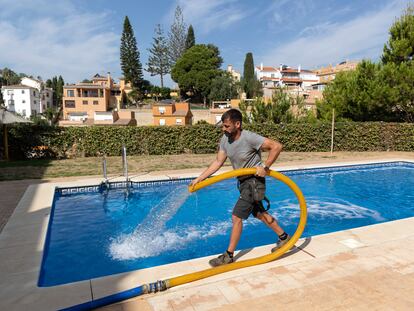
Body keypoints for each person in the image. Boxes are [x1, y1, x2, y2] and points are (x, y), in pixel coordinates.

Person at [189, 108, 290, 267]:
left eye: (227, 126)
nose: (224, 129)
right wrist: (200, 178)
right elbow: (217, 162)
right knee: (258, 214)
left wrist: (265, 166)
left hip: (254, 182)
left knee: (236, 217)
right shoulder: (225, 139)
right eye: (223, 126)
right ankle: (284, 238)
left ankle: (228, 255)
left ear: (237, 124)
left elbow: (276, 146)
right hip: (243, 182)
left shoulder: (249, 137)